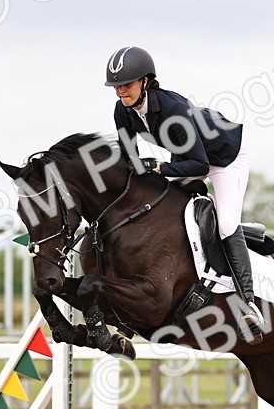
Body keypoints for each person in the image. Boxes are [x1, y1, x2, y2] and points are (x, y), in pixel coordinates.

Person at [105, 45, 264, 344]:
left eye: (126, 84)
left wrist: (158, 167)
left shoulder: (173, 109)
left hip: (225, 158)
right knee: (160, 201)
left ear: (146, 81)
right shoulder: (122, 111)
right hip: (188, 157)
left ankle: (250, 302)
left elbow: (201, 165)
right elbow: (130, 159)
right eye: (116, 87)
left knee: (227, 224)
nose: (120, 92)